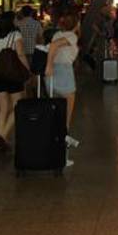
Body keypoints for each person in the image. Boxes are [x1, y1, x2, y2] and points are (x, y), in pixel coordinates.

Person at [0, 11, 30, 149]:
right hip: (13, 75)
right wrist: (27, 70)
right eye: (15, 19)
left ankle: (1, 137)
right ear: (10, 22)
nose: (17, 21)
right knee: (18, 106)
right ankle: (2, 136)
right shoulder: (16, 35)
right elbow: (21, 54)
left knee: (3, 108)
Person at [45, 12, 81, 156]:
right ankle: (62, 149)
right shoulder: (71, 36)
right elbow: (54, 46)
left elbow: (52, 46)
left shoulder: (56, 34)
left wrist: (49, 66)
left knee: (56, 111)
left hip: (53, 75)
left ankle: (56, 142)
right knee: (66, 115)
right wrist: (48, 65)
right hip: (64, 73)